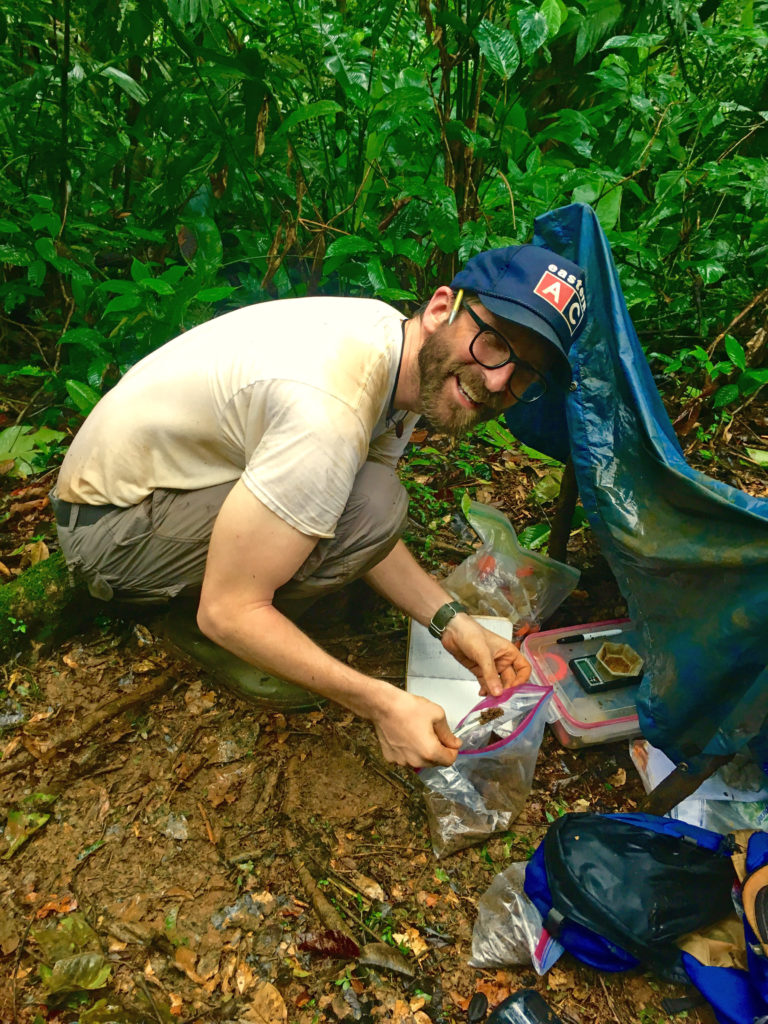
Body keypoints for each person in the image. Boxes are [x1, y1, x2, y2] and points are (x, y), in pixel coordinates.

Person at [50, 244, 587, 769]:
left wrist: (452, 622)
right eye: (494, 342)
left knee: (373, 498)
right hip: (110, 530)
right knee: (345, 523)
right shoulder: (330, 406)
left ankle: (251, 597)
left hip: (166, 486)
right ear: (443, 308)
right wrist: (383, 705)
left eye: (524, 375)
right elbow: (229, 607)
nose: (497, 381)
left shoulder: (396, 346)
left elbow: (358, 503)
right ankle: (205, 634)